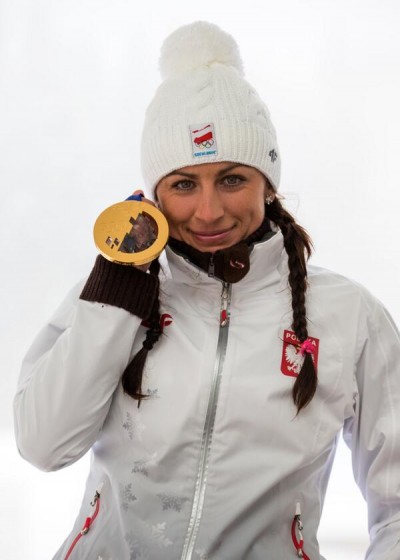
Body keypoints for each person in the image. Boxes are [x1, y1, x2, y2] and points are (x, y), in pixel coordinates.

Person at [13, 21, 400, 560]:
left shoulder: (349, 315)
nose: (209, 211)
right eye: (184, 184)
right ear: (153, 193)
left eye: (233, 179)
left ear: (269, 181)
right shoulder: (110, 296)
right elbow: (43, 446)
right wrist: (117, 297)